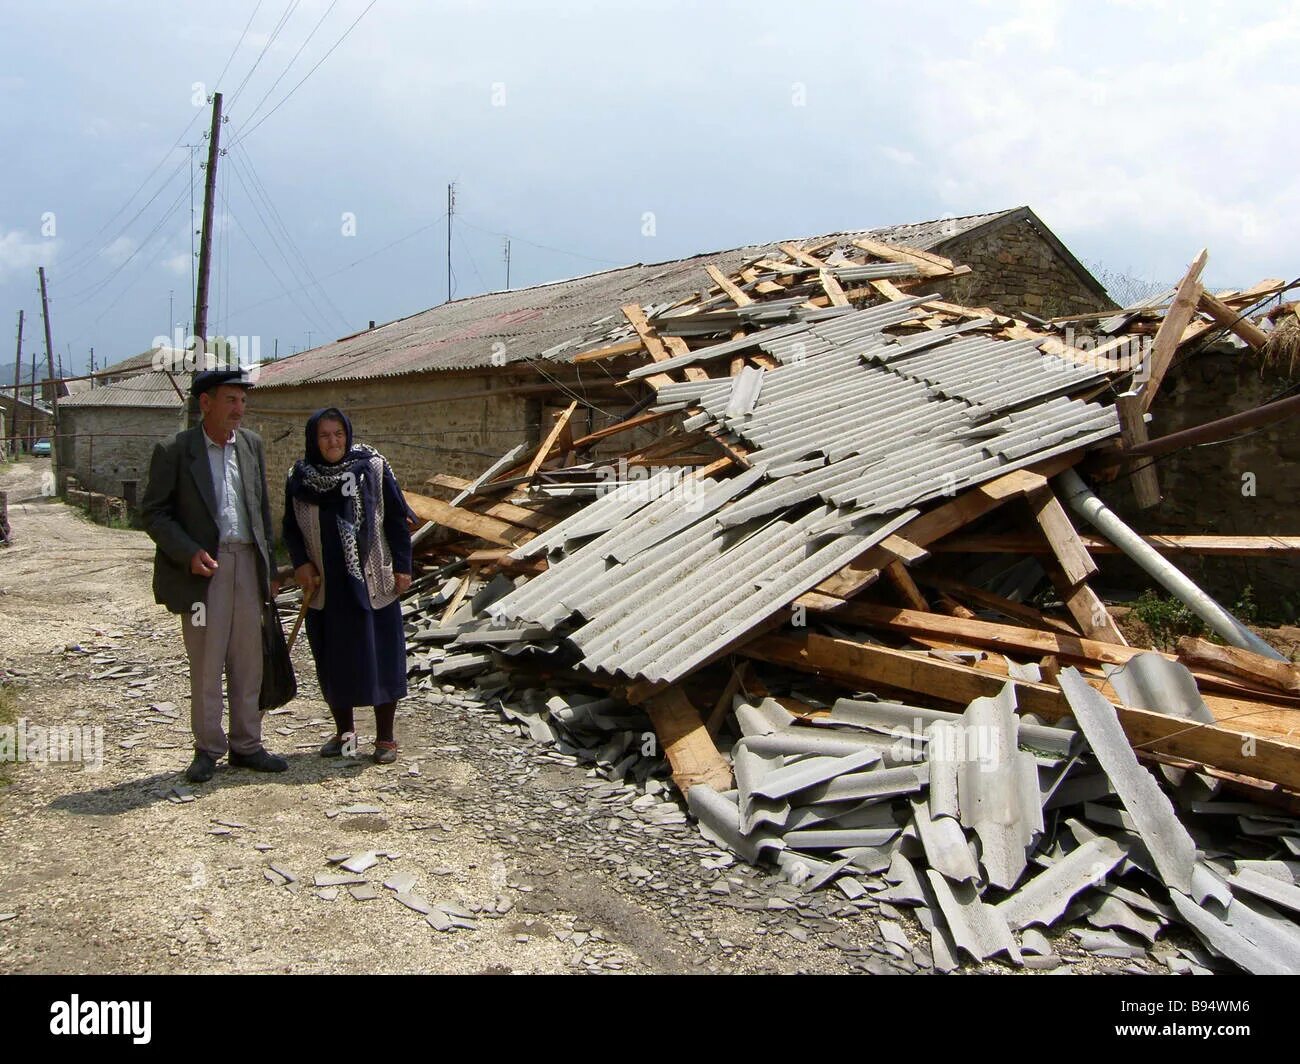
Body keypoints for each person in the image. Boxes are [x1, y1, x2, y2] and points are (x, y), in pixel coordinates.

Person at [141, 369, 287, 783]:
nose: (239, 410)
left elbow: (259, 509)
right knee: (206, 660)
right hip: (204, 570)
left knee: (249, 659)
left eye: (242, 401)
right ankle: (207, 748)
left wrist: (268, 568)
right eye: (230, 401)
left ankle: (247, 745)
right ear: (205, 403)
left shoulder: (252, 446)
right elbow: (154, 512)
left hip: (246, 564)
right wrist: (187, 553)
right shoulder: (175, 450)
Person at [282, 408, 414, 764]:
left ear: (348, 434)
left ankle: (385, 738)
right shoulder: (299, 476)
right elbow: (291, 528)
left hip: (372, 580)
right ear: (313, 439)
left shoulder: (371, 467)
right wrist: (301, 564)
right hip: (327, 585)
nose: (333, 442)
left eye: (339, 434)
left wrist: (403, 567)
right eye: (325, 435)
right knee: (333, 661)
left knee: (382, 657)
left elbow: (397, 519)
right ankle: (346, 735)